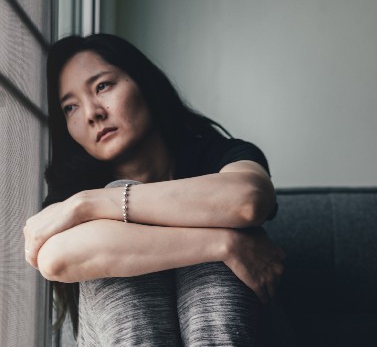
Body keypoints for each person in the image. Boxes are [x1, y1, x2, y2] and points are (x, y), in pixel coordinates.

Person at [22, 34, 285, 346]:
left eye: (103, 86)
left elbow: (247, 201)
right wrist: (225, 243)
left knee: (213, 213)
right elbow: (57, 258)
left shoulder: (218, 154)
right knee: (120, 235)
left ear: (143, 82)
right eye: (70, 107)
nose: (92, 112)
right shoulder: (74, 188)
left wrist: (90, 205)